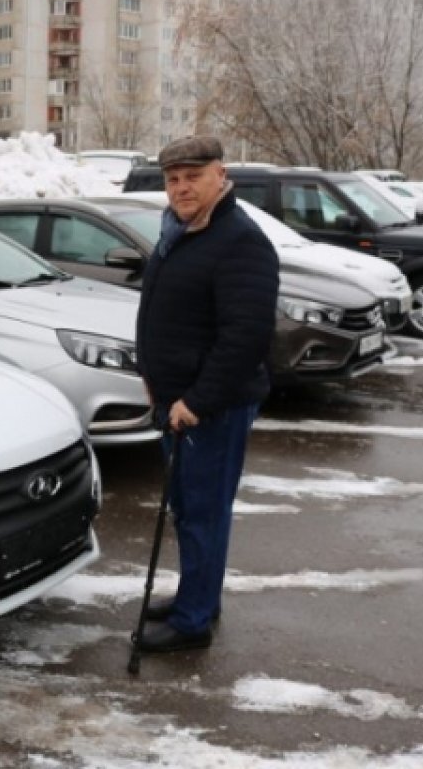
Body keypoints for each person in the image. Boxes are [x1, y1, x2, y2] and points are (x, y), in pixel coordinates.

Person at [134, 135, 279, 653]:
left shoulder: (240, 240)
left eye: (193, 176)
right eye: (173, 179)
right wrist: (152, 374)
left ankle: (193, 621)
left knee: (203, 511)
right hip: (175, 401)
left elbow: (246, 338)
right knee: (187, 507)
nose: (181, 187)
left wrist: (196, 401)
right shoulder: (180, 234)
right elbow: (159, 310)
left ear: (222, 175)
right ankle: (198, 596)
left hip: (208, 408)